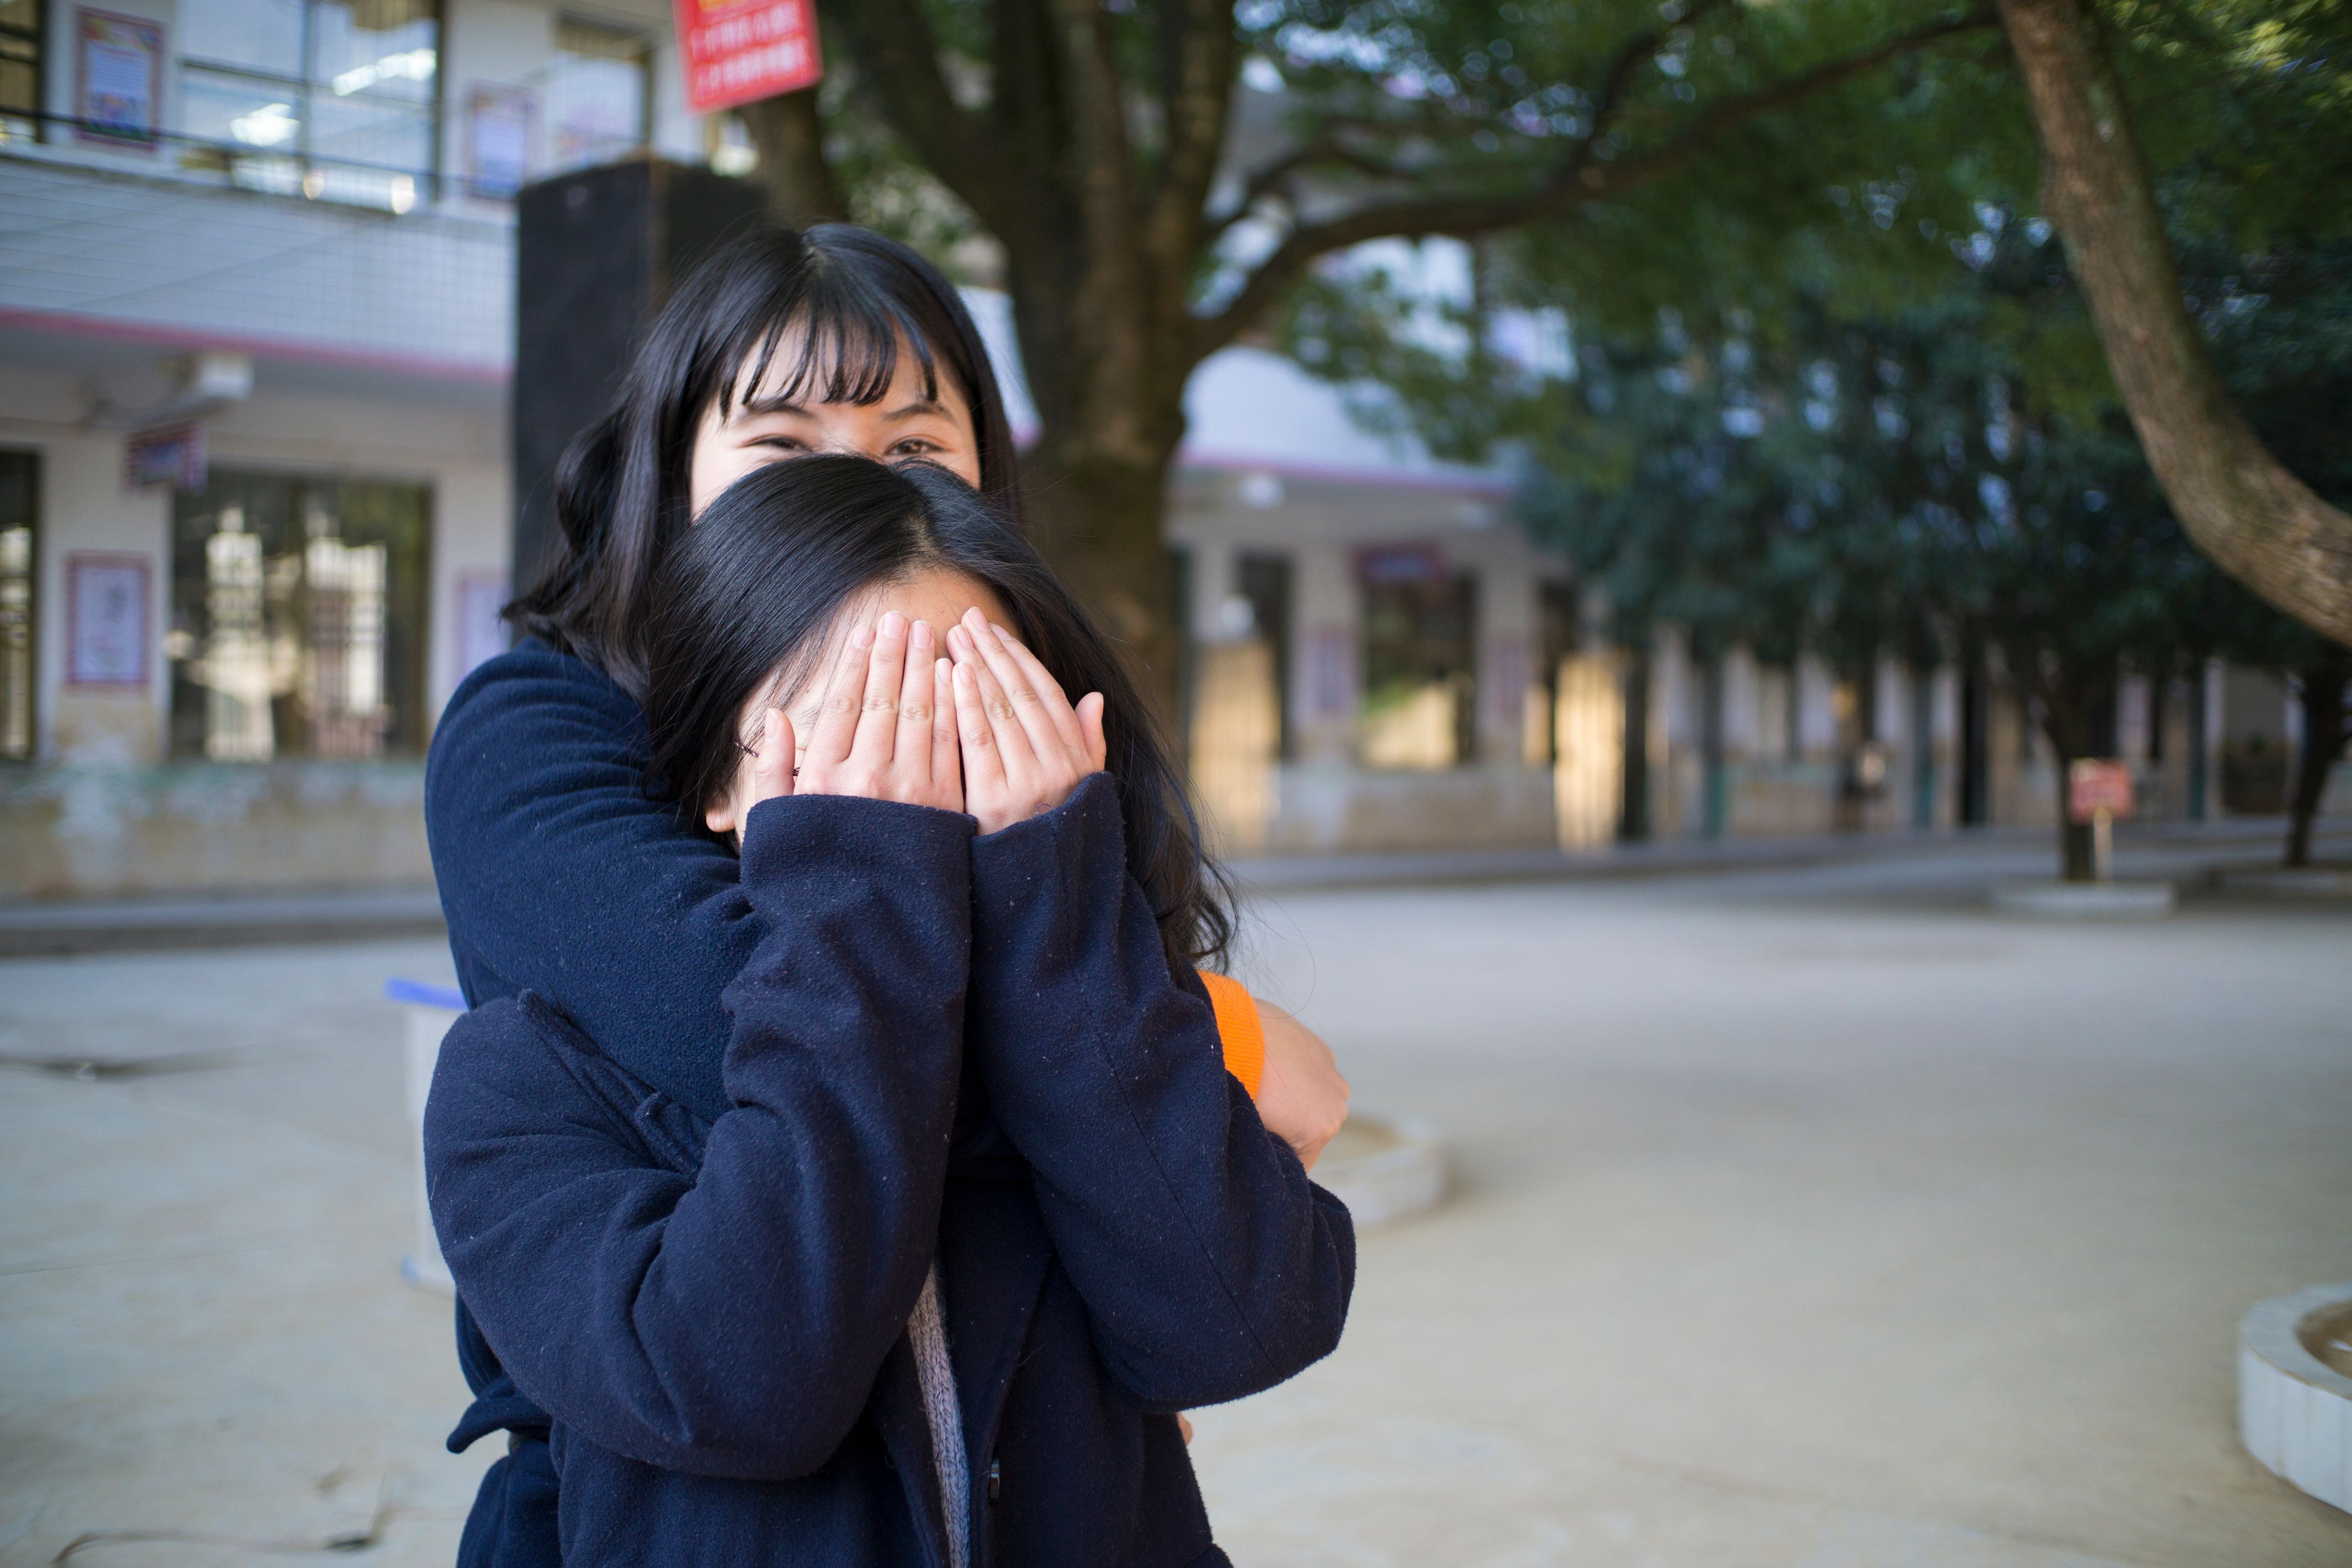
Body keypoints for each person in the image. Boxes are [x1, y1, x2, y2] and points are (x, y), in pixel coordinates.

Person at [423, 225, 1348, 1561]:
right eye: (782, 448)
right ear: (670, 471)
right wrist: (1217, 1041)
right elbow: (741, 1029)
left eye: (916, 449)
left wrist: (1071, 898)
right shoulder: (541, 735)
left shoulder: (1035, 758)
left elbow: (1232, 1317)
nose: (854, 491)